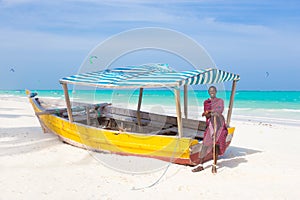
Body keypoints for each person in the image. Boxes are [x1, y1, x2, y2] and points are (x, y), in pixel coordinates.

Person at [192, 86, 228, 172]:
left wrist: (211, 112)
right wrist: (207, 113)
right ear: (208, 92)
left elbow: (220, 111)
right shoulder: (206, 102)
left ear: (216, 91)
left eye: (213, 91)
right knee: (205, 145)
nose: (212, 92)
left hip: (219, 125)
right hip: (210, 125)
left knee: (216, 144)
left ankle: (214, 165)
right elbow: (207, 115)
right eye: (210, 91)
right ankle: (200, 165)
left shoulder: (220, 101)